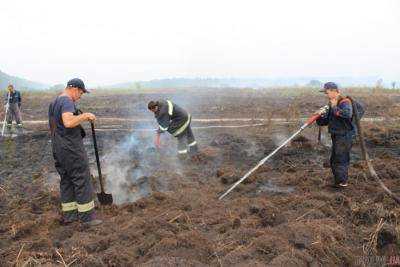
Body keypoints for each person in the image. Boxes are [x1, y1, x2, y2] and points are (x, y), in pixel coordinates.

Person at [48, 78, 102, 226]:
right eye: (81, 92)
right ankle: (87, 218)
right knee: (81, 178)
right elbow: (68, 122)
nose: (81, 96)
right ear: (75, 89)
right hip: (71, 148)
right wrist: (85, 116)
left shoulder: (54, 102)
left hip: (58, 147)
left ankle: (70, 216)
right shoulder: (66, 101)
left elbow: (56, 126)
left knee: (66, 180)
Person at [316, 82, 355, 188]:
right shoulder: (331, 104)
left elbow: (347, 114)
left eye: (327, 92)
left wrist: (333, 107)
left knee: (340, 159)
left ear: (334, 91)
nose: (326, 95)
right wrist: (319, 116)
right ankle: (338, 182)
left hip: (344, 135)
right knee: (334, 160)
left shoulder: (344, 102)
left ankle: (342, 183)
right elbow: (325, 122)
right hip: (336, 135)